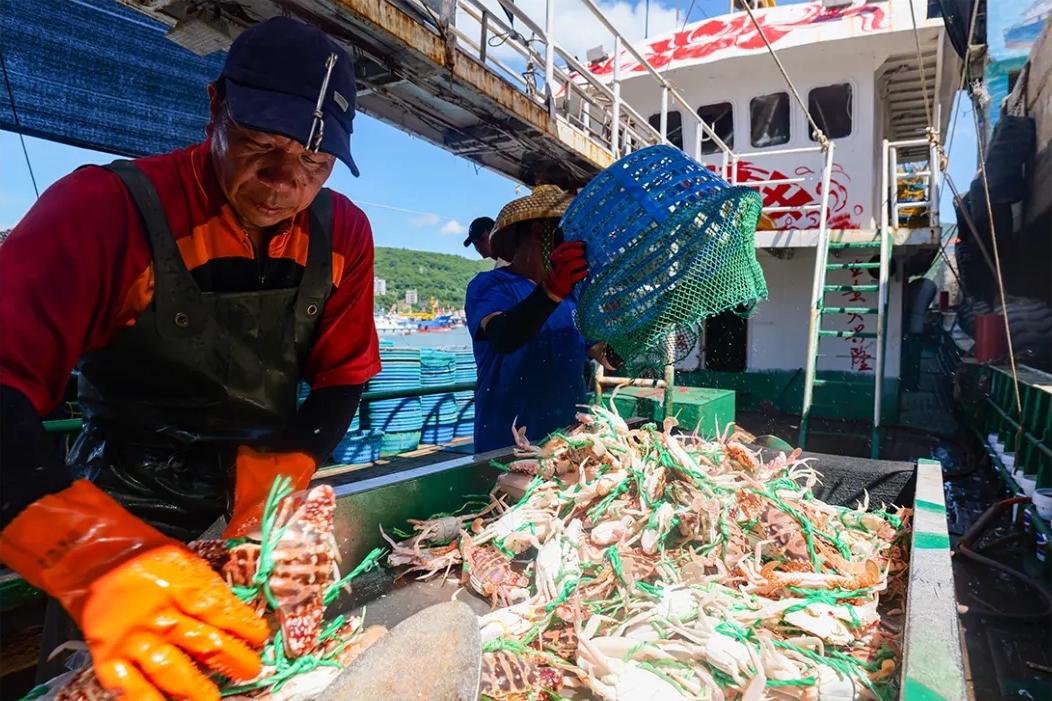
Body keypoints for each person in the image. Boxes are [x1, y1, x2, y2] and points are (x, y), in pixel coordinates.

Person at [0, 17, 380, 700]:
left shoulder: (344, 232)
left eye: (313, 165)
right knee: (96, 681)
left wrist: (285, 465)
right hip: (116, 494)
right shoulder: (103, 210)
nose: (281, 185)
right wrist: (84, 552)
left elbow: (344, 376)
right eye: (261, 146)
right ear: (215, 107)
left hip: (251, 507)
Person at [465, 185, 616, 453]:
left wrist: (625, 338)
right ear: (538, 234)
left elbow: (600, 352)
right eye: (564, 236)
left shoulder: (574, 295)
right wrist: (553, 288)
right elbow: (503, 335)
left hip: (569, 444)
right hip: (506, 447)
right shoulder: (491, 285)